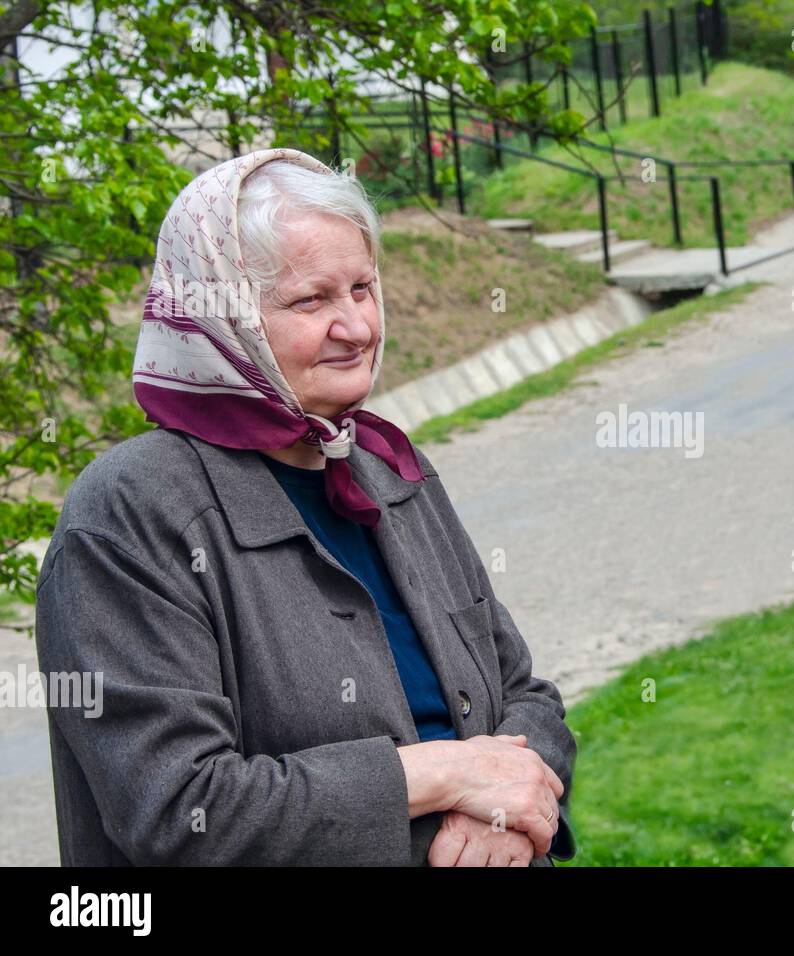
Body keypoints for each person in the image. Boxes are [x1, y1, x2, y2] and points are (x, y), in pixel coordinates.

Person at [34, 147, 576, 866]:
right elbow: (179, 809)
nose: (357, 326)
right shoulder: (129, 514)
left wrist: (502, 811)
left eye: (362, 287)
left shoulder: (385, 467)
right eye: (311, 301)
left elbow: (524, 694)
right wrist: (444, 771)